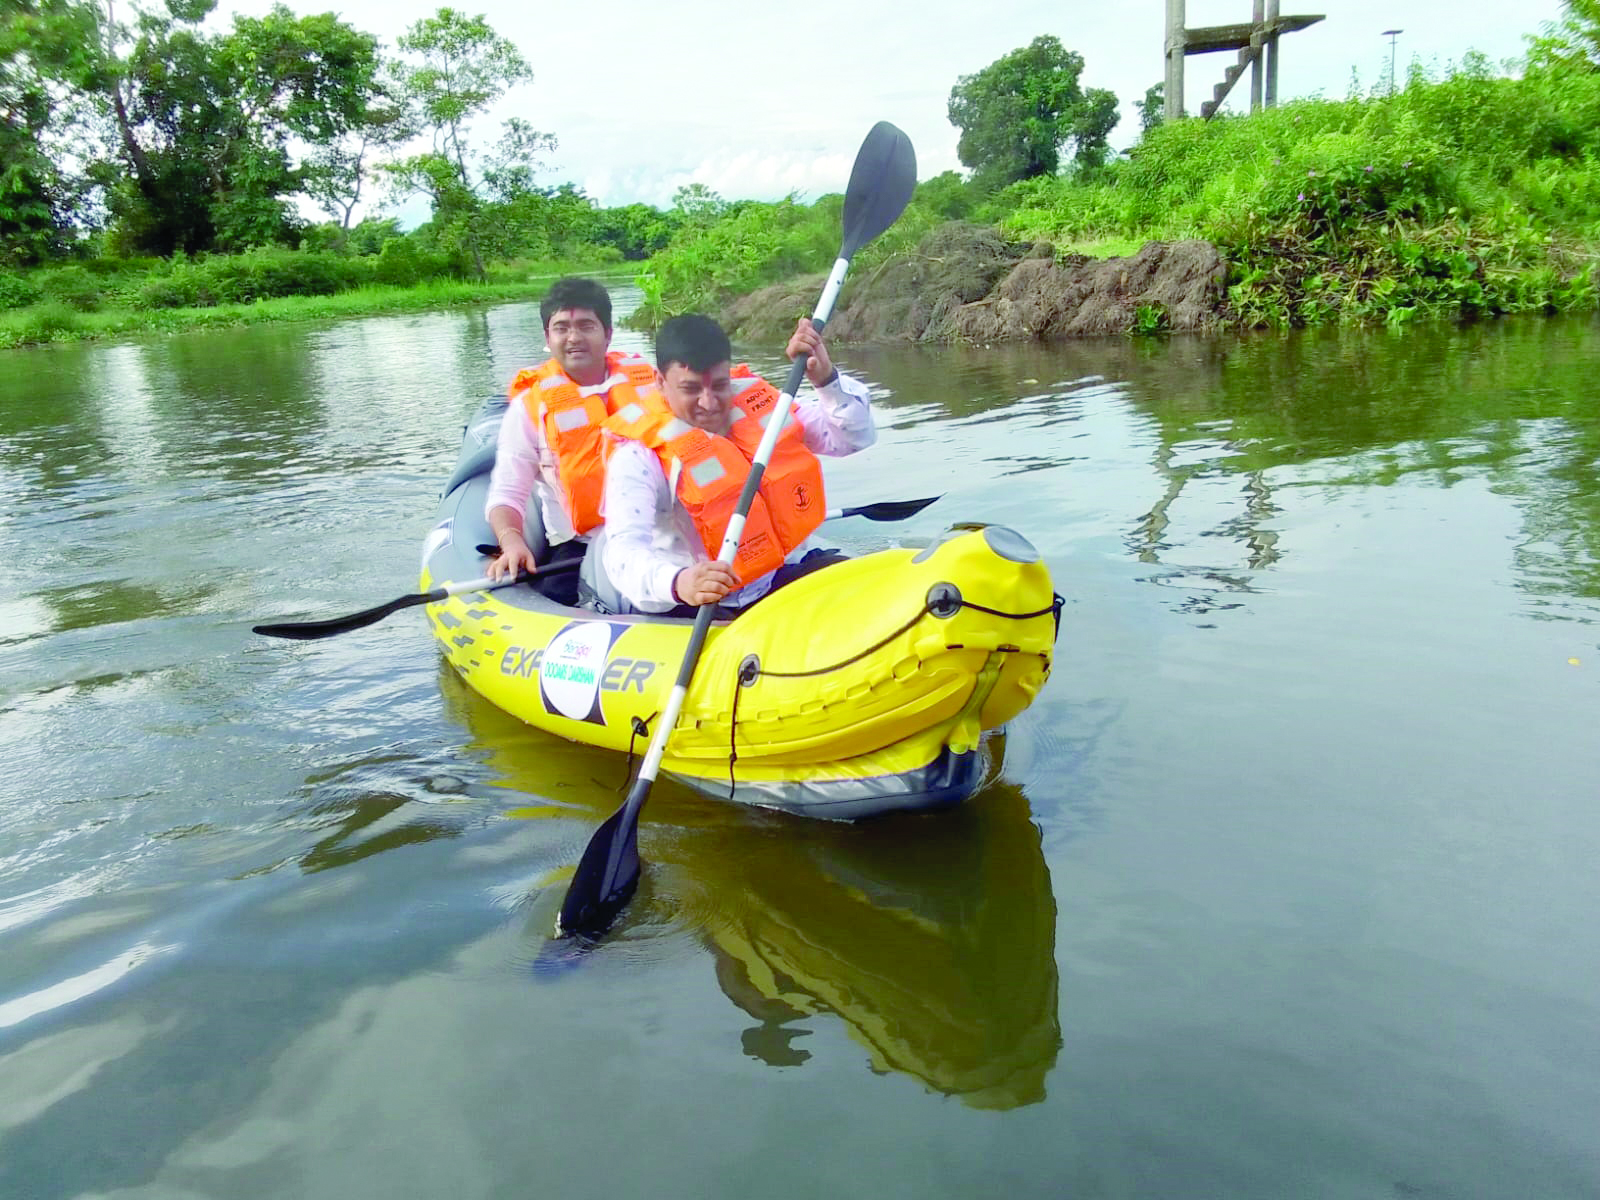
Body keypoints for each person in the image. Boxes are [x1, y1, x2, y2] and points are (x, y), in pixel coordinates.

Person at [579, 313, 875, 616]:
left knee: (869, 595)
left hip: (778, 577)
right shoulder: (638, 457)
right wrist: (679, 583)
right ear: (660, 382)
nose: (708, 403)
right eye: (691, 389)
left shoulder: (761, 408)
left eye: (719, 386)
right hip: (699, 603)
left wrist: (825, 379)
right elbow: (623, 553)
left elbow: (852, 439)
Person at [483, 277, 660, 596]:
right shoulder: (528, 409)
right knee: (555, 599)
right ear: (548, 338)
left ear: (607, 334)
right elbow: (508, 492)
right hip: (580, 548)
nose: (574, 337)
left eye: (586, 326)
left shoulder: (654, 388)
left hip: (657, 536)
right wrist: (511, 542)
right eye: (562, 327)